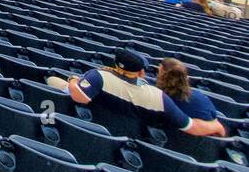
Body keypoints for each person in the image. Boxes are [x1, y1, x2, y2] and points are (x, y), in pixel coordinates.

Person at [53, 50, 225, 137]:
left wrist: (73, 81)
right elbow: (191, 127)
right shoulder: (159, 98)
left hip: (96, 129)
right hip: (145, 139)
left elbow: (79, 95)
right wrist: (218, 126)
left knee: (52, 80)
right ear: (141, 73)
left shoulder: (99, 78)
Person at [155, 59, 226, 134]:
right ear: (185, 78)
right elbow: (220, 130)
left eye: (159, 72)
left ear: (162, 77)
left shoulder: (158, 99)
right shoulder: (201, 98)